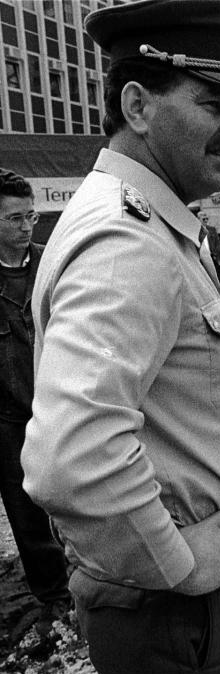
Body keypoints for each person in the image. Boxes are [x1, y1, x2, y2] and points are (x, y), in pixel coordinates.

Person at [21, 1, 220, 674]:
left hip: (215, 587)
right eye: (212, 102)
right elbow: (71, 458)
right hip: (180, 609)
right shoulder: (124, 241)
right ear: (138, 105)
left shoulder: (157, 222)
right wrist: (176, 562)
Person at [0, 169, 71, 612]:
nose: (27, 227)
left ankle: (91, 586)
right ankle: (55, 600)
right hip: (7, 423)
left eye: (31, 216)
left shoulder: (54, 262)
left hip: (58, 410)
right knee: (27, 516)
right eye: (14, 219)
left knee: (76, 501)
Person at [197, 208, 220, 287]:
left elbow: (218, 243)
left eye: (207, 219)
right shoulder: (196, 230)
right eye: (203, 219)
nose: (205, 220)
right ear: (198, 219)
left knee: (216, 273)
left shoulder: (212, 229)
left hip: (212, 256)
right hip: (201, 257)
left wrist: (215, 253)